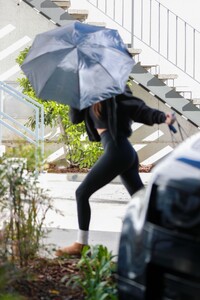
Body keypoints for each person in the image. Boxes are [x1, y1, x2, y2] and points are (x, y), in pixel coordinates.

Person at [55, 85, 175, 257]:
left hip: (118, 151)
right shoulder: (90, 94)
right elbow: (75, 118)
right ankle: (167, 239)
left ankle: (81, 245)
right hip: (122, 152)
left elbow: (138, 108)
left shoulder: (115, 91)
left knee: (82, 193)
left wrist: (163, 117)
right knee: (142, 202)